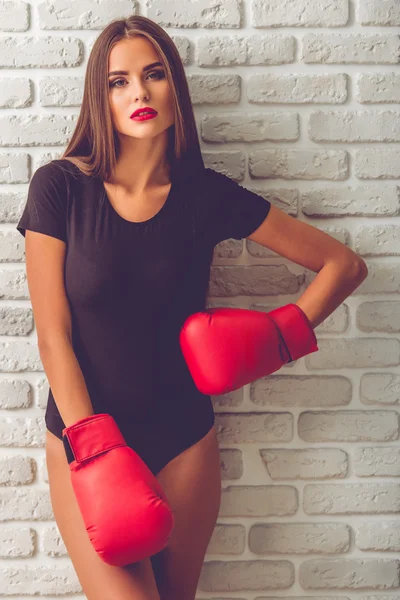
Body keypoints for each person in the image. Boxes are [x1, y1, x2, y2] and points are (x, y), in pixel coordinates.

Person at [15, 14, 368, 600]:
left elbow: (344, 266)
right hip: (86, 442)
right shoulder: (59, 189)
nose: (139, 92)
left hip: (183, 441)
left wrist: (279, 336)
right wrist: (96, 448)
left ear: (174, 87)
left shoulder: (206, 195)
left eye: (153, 75)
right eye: (118, 81)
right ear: (98, 98)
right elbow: (52, 333)